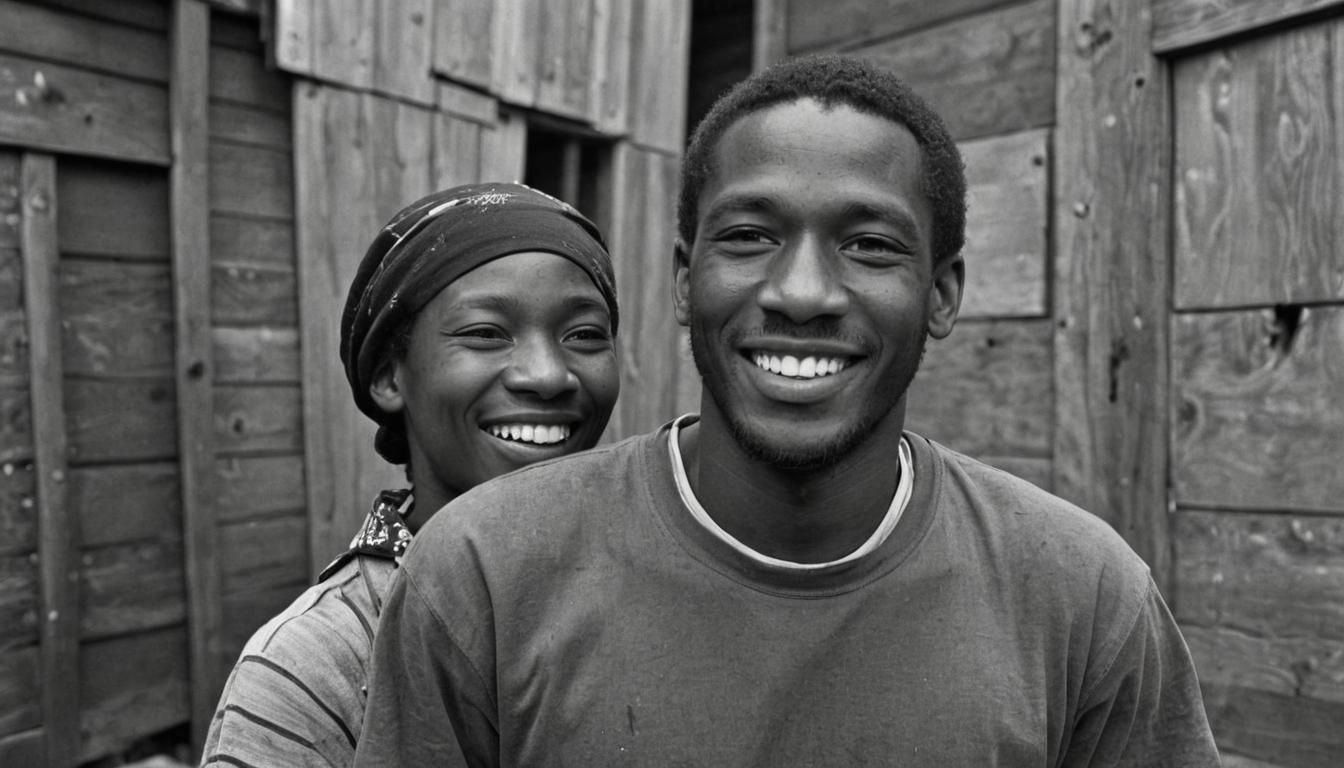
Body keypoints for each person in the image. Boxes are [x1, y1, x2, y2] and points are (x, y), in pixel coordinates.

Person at [354, 56, 1220, 766]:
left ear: (942, 294)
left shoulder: (1084, 596)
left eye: (869, 245)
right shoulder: (480, 577)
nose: (802, 292)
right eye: (750, 236)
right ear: (685, 280)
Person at [200, 182, 621, 766]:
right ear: (391, 378)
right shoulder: (316, 668)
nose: (547, 375)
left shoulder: (653, 590)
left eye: (584, 335)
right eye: (485, 333)